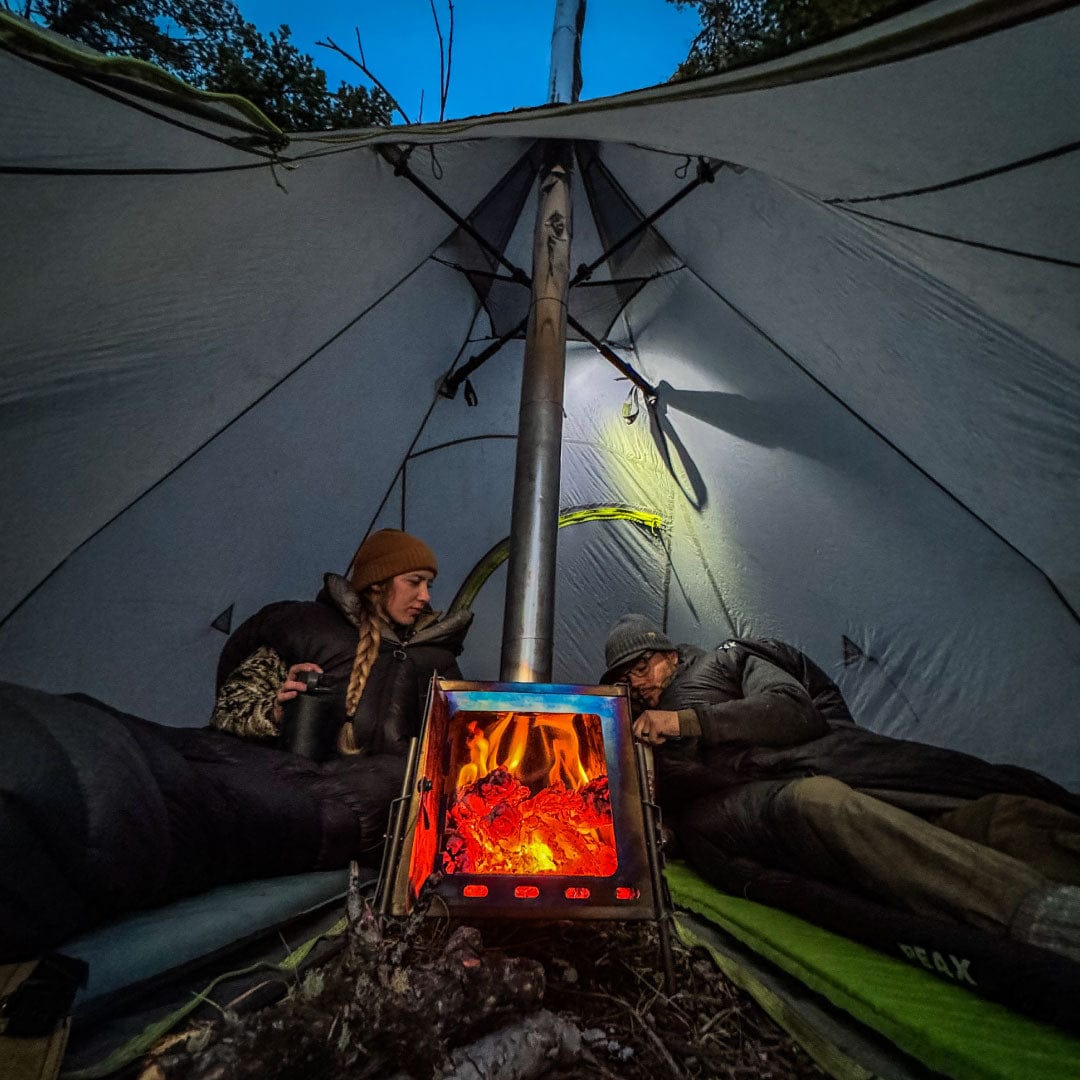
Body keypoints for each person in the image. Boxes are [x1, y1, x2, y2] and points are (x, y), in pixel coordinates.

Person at [600, 613, 1080, 963]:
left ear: (669, 654)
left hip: (844, 763)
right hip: (782, 805)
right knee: (829, 806)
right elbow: (670, 808)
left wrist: (687, 721)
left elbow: (794, 709)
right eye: (625, 679)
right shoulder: (638, 735)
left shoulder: (728, 660)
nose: (636, 684)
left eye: (641, 667)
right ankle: (1041, 918)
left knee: (1001, 813)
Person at [213, 529, 473, 757]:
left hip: (389, 793)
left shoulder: (438, 658)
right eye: (414, 582)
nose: (425, 596)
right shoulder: (309, 629)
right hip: (301, 785)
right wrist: (276, 712)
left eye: (429, 585)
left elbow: (464, 744)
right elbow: (229, 711)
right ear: (378, 584)